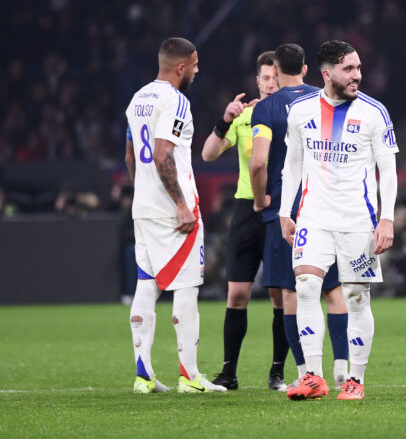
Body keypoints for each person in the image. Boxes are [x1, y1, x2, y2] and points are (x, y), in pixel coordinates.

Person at [279, 40, 398, 401]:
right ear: (326, 73)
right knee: (305, 288)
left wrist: (387, 219)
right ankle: (313, 377)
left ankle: (355, 380)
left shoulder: (375, 112)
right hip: (313, 217)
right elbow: (292, 163)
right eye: (349, 69)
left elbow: (388, 170)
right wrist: (285, 211)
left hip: (357, 221)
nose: (357, 75)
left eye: (358, 68)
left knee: (356, 297)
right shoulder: (300, 110)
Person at [125, 37, 226, 393]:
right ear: (181, 67)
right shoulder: (176, 101)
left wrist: (144, 193)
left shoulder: (138, 98)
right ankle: (190, 376)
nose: (197, 71)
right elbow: (163, 153)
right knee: (187, 286)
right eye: (195, 65)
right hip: (174, 211)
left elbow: (131, 157)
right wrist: (181, 205)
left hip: (144, 208)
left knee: (146, 282)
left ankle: (144, 376)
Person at [251, 43, 350, 393]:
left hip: (285, 211)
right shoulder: (322, 99)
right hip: (325, 205)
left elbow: (258, 162)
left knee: (292, 293)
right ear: (306, 69)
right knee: (334, 289)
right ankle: (342, 366)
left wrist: (261, 199)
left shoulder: (265, 108)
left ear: (275, 72)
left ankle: (306, 371)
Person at [201, 51, 289, 391]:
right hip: (246, 209)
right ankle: (229, 373)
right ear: (257, 81)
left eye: (275, 78)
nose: (270, 84)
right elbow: (208, 154)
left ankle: (277, 373)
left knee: (280, 295)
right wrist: (224, 120)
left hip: (278, 209)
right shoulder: (246, 116)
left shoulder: (294, 115)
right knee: (237, 293)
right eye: (265, 78)